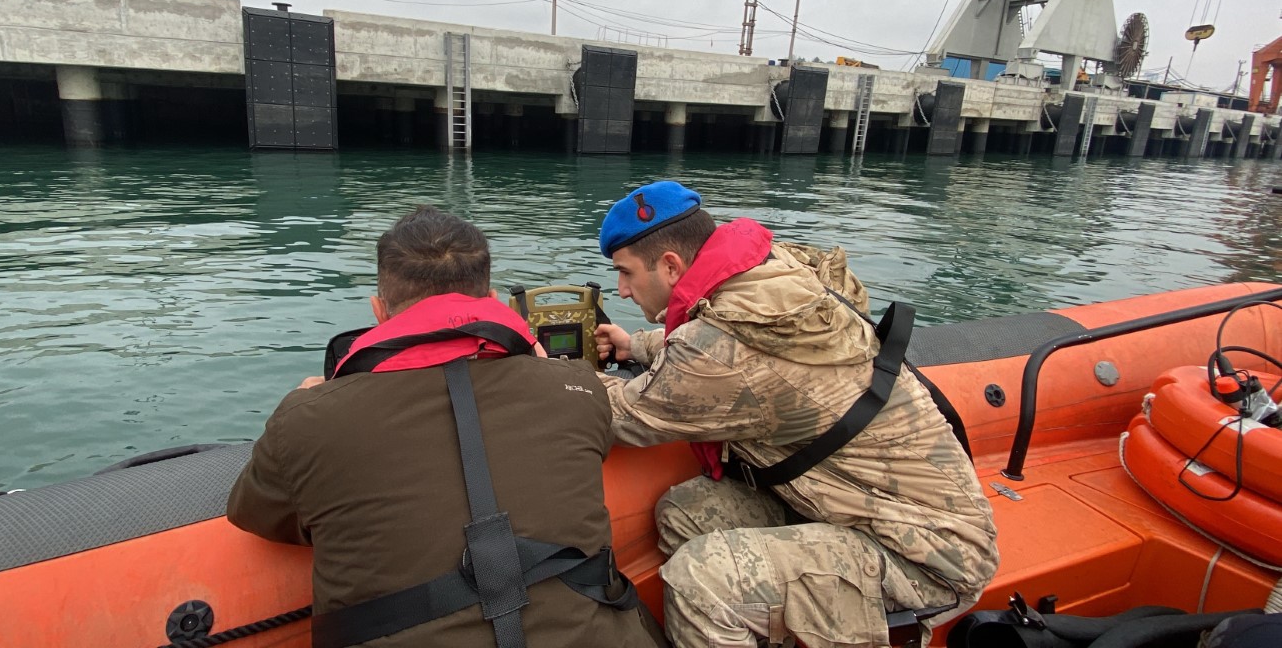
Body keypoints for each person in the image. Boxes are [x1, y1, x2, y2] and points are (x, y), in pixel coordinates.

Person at [228, 206, 661, 648]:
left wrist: (309, 402)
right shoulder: (579, 389)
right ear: (491, 302)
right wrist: (547, 373)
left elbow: (254, 512)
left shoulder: (306, 419)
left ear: (379, 311)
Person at [592, 181, 999, 648]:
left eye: (625, 273)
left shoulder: (720, 351)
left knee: (701, 579)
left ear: (670, 266)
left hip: (928, 554)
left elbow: (620, 413)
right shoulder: (773, 276)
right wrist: (638, 343)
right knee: (687, 512)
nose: (620, 290)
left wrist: (542, 371)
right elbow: (732, 343)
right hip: (862, 508)